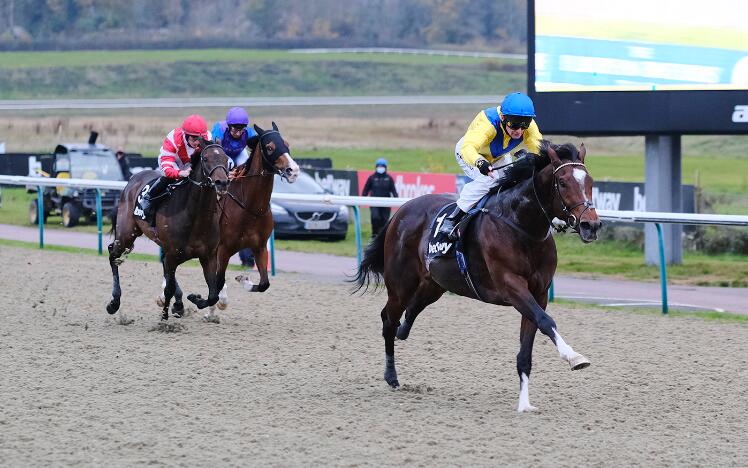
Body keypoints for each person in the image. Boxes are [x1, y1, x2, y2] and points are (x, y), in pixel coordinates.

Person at [438, 92, 543, 238]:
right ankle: (453, 218)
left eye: (524, 124)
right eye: (514, 125)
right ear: (502, 118)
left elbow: (539, 150)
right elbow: (468, 148)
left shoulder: (528, 125)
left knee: (512, 180)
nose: (519, 130)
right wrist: (480, 162)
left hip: (498, 155)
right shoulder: (488, 124)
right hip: (470, 153)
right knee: (489, 180)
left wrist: (532, 157)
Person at [138, 114, 211, 220]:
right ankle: (148, 197)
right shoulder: (173, 138)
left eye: (199, 139)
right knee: (171, 177)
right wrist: (180, 173)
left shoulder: (207, 137)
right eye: (193, 139)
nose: (197, 142)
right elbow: (167, 169)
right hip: (172, 162)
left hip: (190, 162)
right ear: (185, 135)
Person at [212, 107, 259, 268]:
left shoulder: (250, 132)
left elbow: (259, 147)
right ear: (229, 126)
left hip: (239, 153)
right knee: (230, 167)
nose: (238, 133)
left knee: (246, 168)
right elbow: (215, 151)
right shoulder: (219, 128)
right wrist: (228, 171)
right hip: (222, 154)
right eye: (235, 129)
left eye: (241, 129)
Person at [362, 158, 398, 236]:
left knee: (384, 221)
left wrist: (397, 200)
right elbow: (365, 190)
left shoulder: (389, 178)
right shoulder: (371, 178)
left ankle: (382, 237)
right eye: (379, 166)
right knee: (375, 218)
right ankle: (374, 234)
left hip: (386, 203)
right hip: (374, 203)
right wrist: (362, 199)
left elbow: (393, 191)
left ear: (385, 167)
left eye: (382, 166)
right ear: (376, 167)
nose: (380, 167)